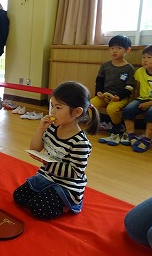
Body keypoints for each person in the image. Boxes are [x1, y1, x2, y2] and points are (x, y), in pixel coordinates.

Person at [13, 81, 100, 220]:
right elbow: (35, 148)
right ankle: (46, 194)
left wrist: (47, 163)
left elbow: (75, 172)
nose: (52, 112)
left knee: (37, 208)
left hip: (67, 186)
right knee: (18, 197)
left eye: (58, 107)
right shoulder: (52, 128)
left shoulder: (80, 143)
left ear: (77, 112)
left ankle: (68, 204)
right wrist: (41, 128)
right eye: (52, 106)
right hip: (47, 176)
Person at [92, 35, 135, 144]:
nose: (114, 51)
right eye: (112, 48)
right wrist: (99, 92)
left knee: (111, 109)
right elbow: (99, 81)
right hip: (105, 95)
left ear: (127, 50)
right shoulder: (105, 65)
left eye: (119, 48)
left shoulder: (129, 68)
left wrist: (120, 96)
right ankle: (96, 123)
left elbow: (129, 87)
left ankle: (117, 126)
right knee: (91, 104)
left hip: (120, 98)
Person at [121, 44, 152, 153]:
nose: (145, 60)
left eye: (149, 57)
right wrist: (134, 101)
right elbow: (137, 88)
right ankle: (131, 136)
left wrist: (149, 103)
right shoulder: (140, 71)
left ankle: (147, 138)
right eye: (143, 57)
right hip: (142, 98)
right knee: (128, 109)